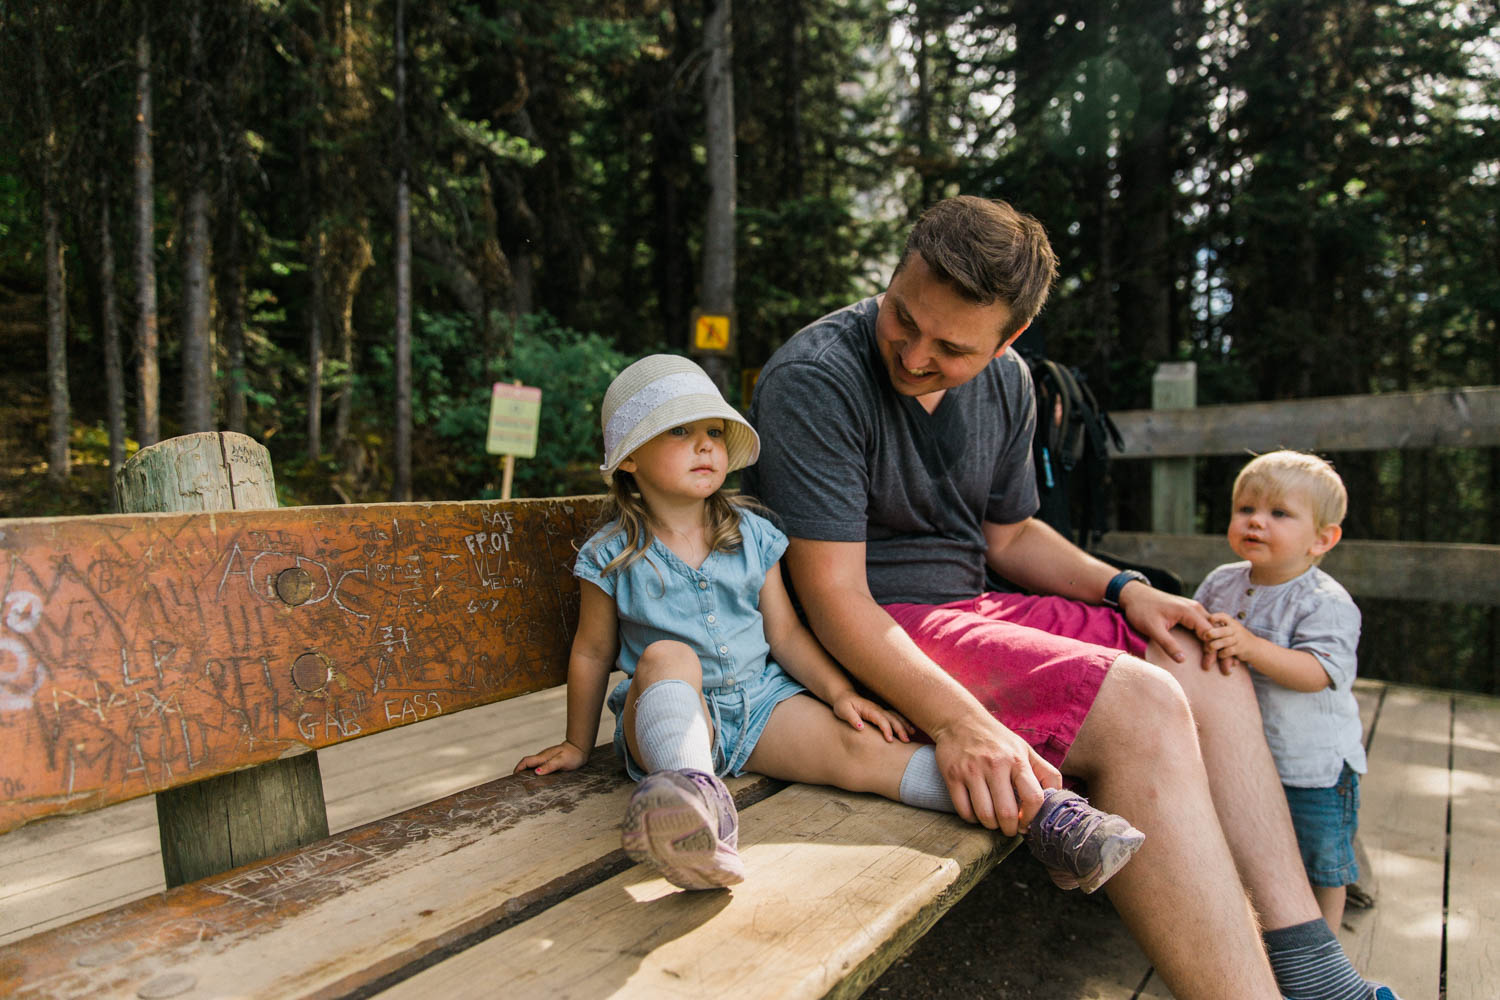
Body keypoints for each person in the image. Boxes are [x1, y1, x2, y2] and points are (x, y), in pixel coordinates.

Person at [742, 196, 1400, 999]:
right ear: (895, 273)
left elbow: (1010, 536)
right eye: (902, 318)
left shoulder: (1011, 383)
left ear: (1009, 339)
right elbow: (835, 599)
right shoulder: (816, 378)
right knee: (1142, 705)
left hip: (974, 610)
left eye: (951, 347)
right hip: (878, 631)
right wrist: (961, 724)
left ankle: (1309, 964)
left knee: (1192, 649)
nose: (913, 355)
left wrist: (1128, 590)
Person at [515, 353, 1146, 894]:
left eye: (713, 430)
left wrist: (842, 693)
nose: (706, 444)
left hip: (761, 706)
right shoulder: (609, 554)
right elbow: (594, 653)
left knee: (864, 752)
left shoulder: (752, 535)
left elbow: (786, 635)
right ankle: (694, 813)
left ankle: (1049, 815)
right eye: (680, 432)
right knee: (666, 657)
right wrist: (577, 743)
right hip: (670, 719)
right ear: (628, 459)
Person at [1195, 450, 1365, 932]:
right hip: (1241, 758)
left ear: (1322, 539)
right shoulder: (1220, 583)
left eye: (1279, 513)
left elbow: (1318, 671)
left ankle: (1324, 947)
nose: (1257, 522)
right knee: (1248, 851)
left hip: (1310, 767)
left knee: (1319, 863)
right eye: (1246, 509)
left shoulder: (1325, 602)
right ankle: (1256, 936)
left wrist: (1249, 645)